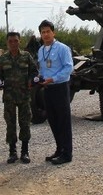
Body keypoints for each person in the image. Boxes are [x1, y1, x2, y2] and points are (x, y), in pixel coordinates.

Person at [0, 32, 38, 164]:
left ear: (19, 41)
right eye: (10, 41)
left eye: (15, 41)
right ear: (7, 43)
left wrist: (32, 80)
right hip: (9, 97)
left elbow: (34, 72)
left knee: (25, 123)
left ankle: (25, 152)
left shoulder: (26, 56)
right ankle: (12, 152)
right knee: (10, 124)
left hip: (24, 96)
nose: (13, 43)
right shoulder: (3, 59)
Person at [37, 20, 74, 165]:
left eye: (48, 31)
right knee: (52, 120)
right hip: (47, 89)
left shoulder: (62, 48)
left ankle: (67, 153)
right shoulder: (41, 50)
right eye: (43, 32)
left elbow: (68, 68)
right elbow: (42, 69)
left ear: (53, 32)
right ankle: (59, 149)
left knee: (63, 121)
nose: (45, 34)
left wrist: (54, 78)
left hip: (60, 87)